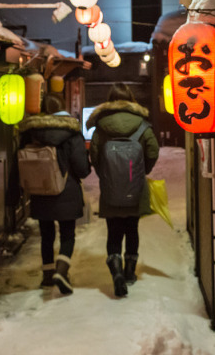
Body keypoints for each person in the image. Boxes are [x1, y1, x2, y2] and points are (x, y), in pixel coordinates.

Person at [88, 83, 159, 297]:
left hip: (111, 189)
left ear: (110, 101)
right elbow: (153, 150)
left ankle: (116, 271)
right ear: (130, 99)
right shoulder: (141, 125)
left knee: (114, 232)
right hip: (135, 187)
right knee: (132, 229)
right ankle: (129, 271)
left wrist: (106, 174)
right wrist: (140, 171)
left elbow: (94, 155)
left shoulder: (101, 126)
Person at [19, 93, 90, 295]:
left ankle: (48, 275)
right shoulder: (72, 133)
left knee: (46, 235)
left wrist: (13, 193)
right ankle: (62, 270)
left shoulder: (30, 132)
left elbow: (18, 166)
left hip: (40, 190)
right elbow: (81, 168)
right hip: (66, 190)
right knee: (67, 234)